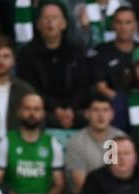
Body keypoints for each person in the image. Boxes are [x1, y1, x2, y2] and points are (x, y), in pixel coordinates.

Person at [0, 91, 74, 194]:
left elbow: (59, 184)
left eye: (36, 109)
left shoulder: (52, 143)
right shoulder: (5, 142)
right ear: (19, 112)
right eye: (27, 108)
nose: (32, 114)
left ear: (43, 114)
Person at [15, 1, 88, 129]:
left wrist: (70, 110)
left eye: (54, 18)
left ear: (64, 23)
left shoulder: (77, 50)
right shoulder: (27, 53)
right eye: (46, 18)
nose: (50, 22)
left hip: (74, 109)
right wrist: (56, 110)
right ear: (38, 24)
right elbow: (30, 87)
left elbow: (83, 85)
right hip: (42, 109)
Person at [66, 93, 127, 194]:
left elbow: (126, 174)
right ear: (87, 114)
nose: (101, 115)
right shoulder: (76, 142)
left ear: (112, 114)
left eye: (105, 110)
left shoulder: (121, 138)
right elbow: (80, 184)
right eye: (95, 110)